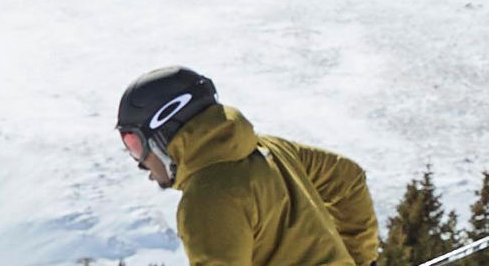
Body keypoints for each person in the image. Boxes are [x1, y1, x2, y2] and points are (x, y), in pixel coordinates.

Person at [116, 66, 380, 266]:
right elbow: (348, 177)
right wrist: (359, 260)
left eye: (134, 144)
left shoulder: (207, 198)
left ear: (165, 132)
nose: (140, 163)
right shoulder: (273, 149)